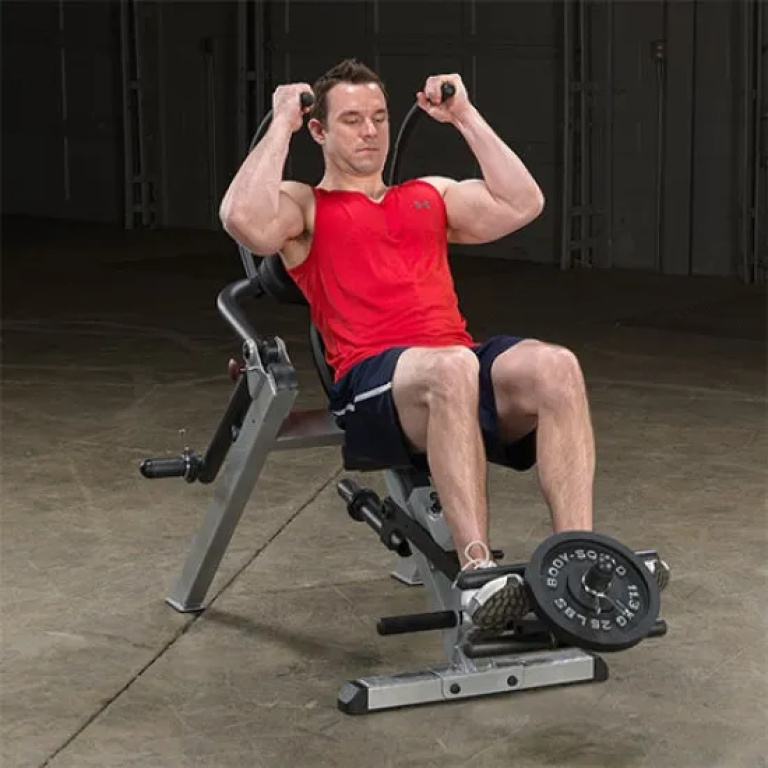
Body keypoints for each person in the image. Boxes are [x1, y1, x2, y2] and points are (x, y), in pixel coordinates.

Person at [219, 59, 596, 633]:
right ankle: (478, 577)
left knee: (556, 366)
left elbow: (524, 203)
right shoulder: (306, 207)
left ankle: (579, 562)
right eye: (351, 120)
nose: (369, 131)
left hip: (453, 363)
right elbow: (242, 218)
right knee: (453, 368)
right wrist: (281, 124)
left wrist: (464, 116)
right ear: (319, 130)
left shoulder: (428, 195)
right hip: (372, 383)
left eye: (378, 117)